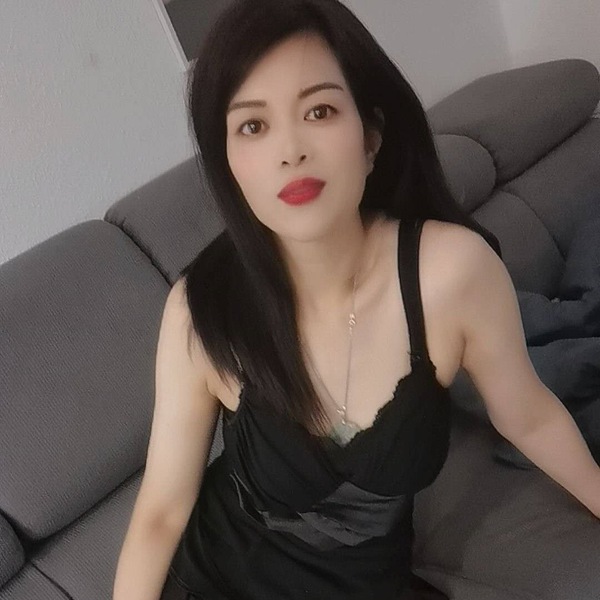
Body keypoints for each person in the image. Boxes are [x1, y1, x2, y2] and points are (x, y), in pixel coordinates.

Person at [112, 1, 600, 599]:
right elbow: (162, 511)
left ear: (370, 137)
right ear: (228, 164)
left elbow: (528, 414)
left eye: (318, 110)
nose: (290, 149)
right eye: (253, 126)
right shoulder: (203, 310)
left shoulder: (451, 274)